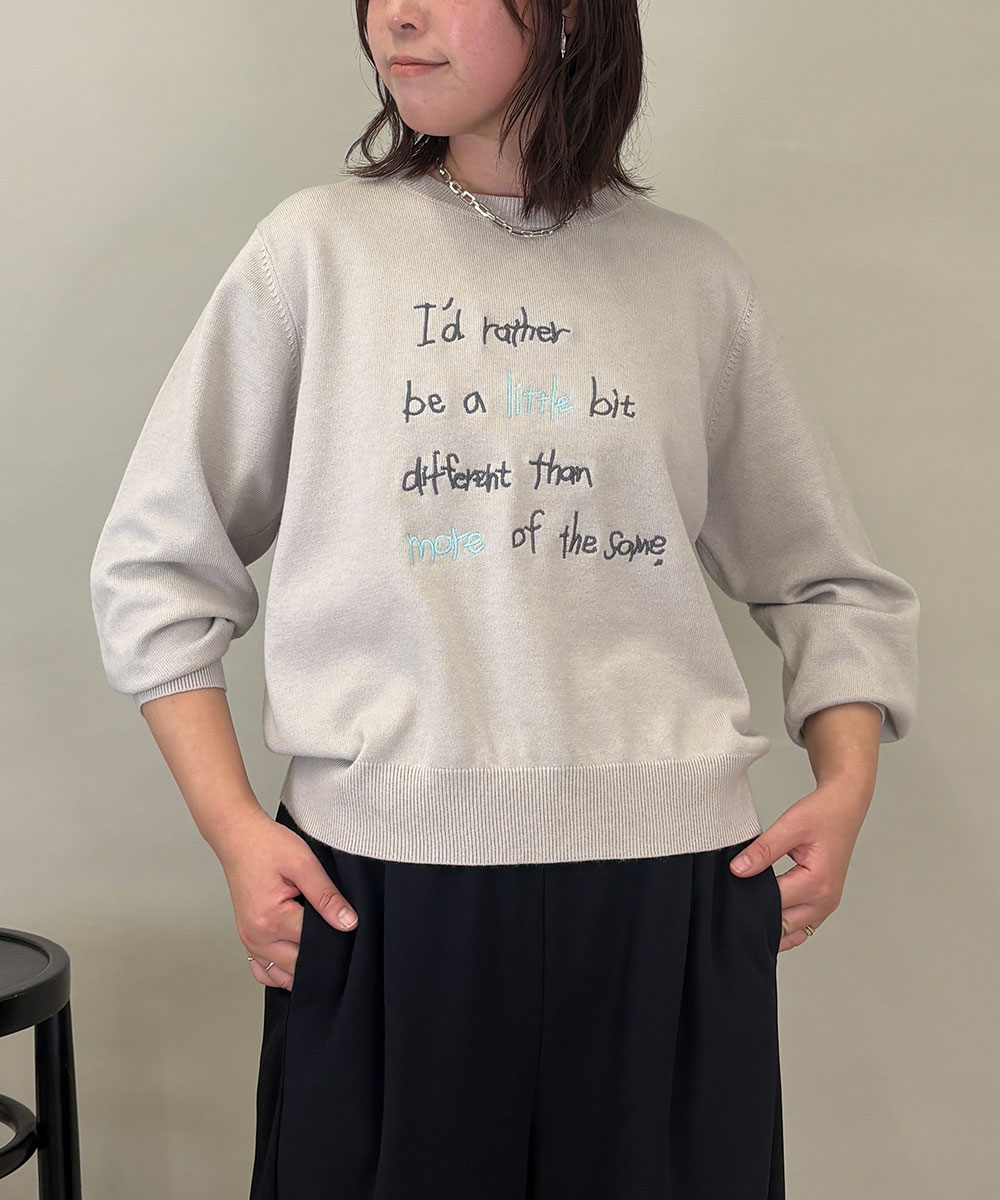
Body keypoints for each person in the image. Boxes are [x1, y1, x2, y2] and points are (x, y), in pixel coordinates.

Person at [89, 1, 919, 1197]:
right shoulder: (316, 252)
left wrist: (846, 790)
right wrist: (233, 828)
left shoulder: (689, 278)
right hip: (379, 897)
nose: (397, 14)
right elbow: (156, 561)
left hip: (668, 902)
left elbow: (826, 578)